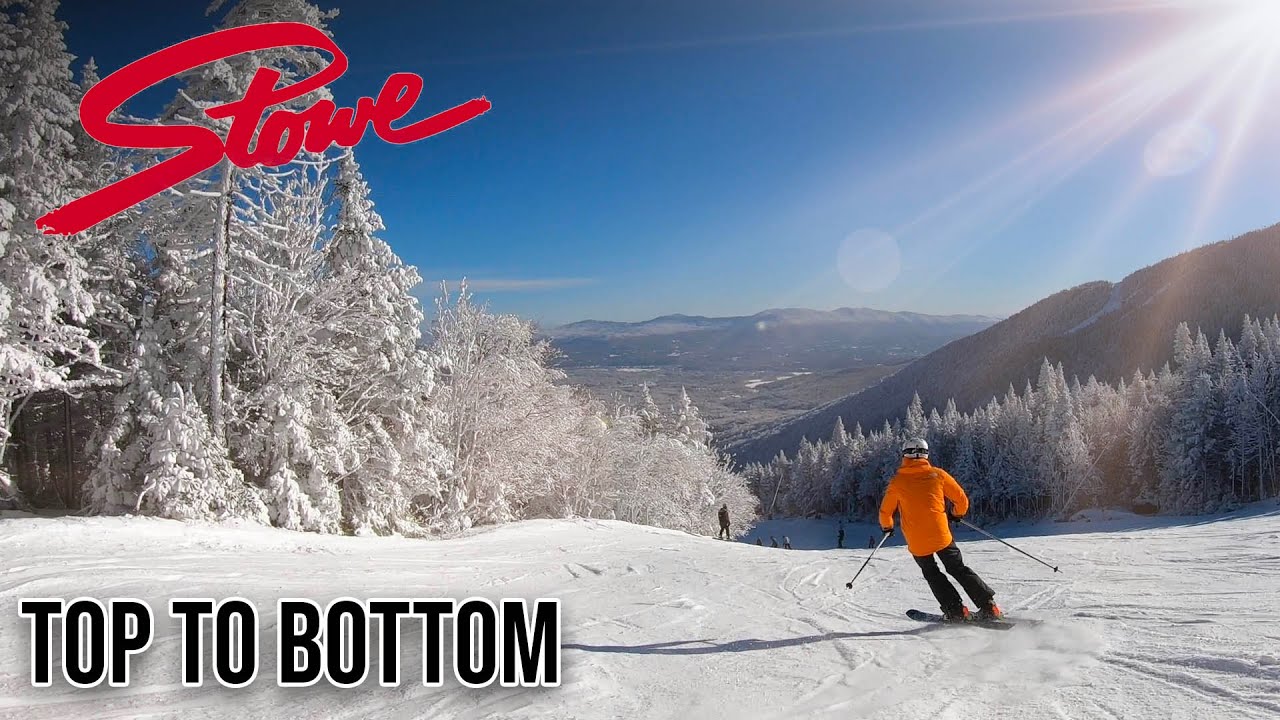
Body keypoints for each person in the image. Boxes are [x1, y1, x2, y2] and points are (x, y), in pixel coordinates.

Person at [879, 438, 1002, 622]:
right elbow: (961, 499)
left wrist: (887, 527)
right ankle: (988, 606)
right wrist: (956, 514)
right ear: (926, 454)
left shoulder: (897, 482)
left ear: (905, 455)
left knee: (932, 573)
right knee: (958, 568)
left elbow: (885, 511)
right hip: (941, 534)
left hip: (917, 539)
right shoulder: (938, 475)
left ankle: (956, 611)